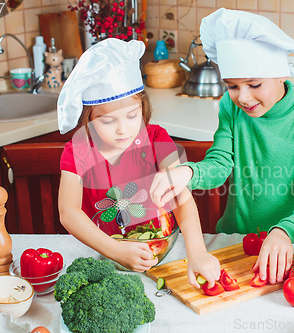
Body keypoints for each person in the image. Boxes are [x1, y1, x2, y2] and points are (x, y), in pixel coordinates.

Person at [150, 8, 294, 286]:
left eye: (254, 84)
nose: (243, 97)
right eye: (233, 86)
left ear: (281, 74)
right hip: (233, 240)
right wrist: (186, 173)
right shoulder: (230, 107)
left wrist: (284, 231)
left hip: (289, 247)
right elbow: (220, 164)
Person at [57, 38, 220, 282]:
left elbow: (180, 196)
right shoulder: (79, 151)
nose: (123, 130)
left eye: (132, 116)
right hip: (105, 257)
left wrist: (197, 252)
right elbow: (68, 212)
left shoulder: (157, 140)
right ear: (88, 119)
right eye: (108, 121)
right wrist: (116, 250)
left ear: (143, 108)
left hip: (160, 252)